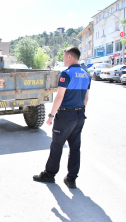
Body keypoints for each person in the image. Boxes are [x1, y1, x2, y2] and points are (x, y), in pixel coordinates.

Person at [33, 47, 90, 189]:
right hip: (79, 115)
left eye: (64, 57)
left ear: (70, 57)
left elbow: (59, 96)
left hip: (65, 116)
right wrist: (80, 113)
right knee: (75, 148)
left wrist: (51, 115)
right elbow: (86, 99)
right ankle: (71, 179)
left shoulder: (67, 73)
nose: (64, 60)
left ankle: (49, 174)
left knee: (57, 145)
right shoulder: (86, 74)